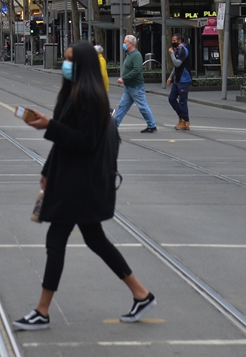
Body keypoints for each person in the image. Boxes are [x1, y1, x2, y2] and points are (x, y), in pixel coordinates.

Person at [13, 41, 155, 330]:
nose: (64, 66)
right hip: (72, 179)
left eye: (69, 61)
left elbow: (84, 141)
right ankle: (141, 294)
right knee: (94, 239)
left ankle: (42, 310)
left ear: (83, 65)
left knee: (57, 240)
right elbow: (64, 142)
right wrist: (47, 169)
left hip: (81, 184)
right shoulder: (71, 93)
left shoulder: (90, 98)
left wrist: (48, 126)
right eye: (64, 60)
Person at [113, 35, 157, 133]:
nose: (123, 44)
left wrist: (123, 78)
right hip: (129, 87)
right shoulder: (129, 54)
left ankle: (152, 125)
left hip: (136, 86)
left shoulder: (136, 55)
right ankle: (114, 125)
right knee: (122, 106)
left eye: (125, 42)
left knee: (142, 106)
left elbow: (137, 70)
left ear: (131, 43)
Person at [167, 34, 192, 130]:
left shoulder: (183, 50)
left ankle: (185, 121)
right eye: (172, 40)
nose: (173, 42)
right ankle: (181, 117)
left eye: (174, 40)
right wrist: (171, 77)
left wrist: (171, 54)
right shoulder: (178, 49)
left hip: (184, 79)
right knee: (171, 98)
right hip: (178, 79)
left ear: (180, 40)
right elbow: (175, 66)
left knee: (182, 101)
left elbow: (177, 63)